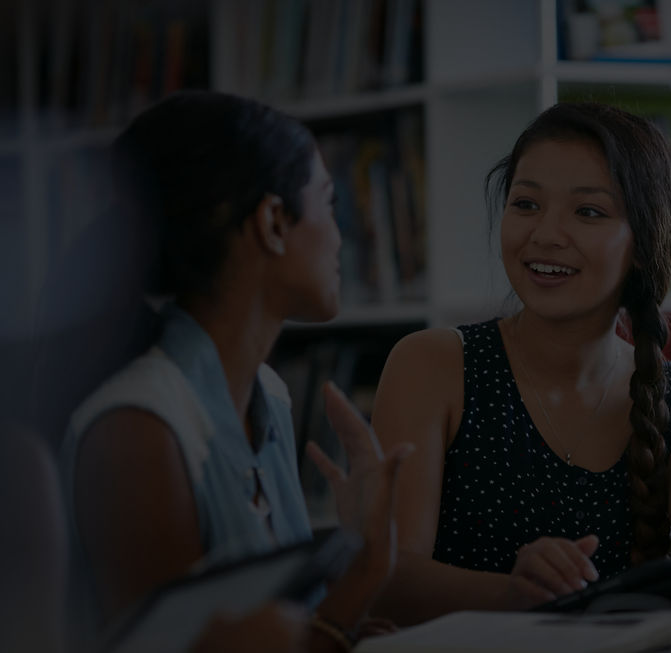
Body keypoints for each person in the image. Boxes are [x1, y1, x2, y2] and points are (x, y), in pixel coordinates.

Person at [368, 102, 671, 625]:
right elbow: (384, 576)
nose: (546, 234)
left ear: (642, 244)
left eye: (588, 212)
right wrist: (509, 593)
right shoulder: (433, 365)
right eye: (526, 204)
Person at [58, 90, 412, 652]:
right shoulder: (138, 433)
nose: (342, 234)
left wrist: (337, 629)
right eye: (329, 202)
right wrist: (364, 572)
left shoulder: (268, 395)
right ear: (273, 222)